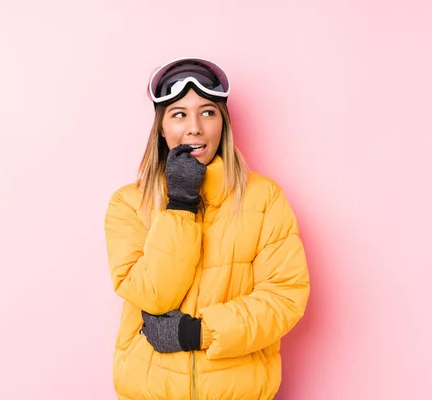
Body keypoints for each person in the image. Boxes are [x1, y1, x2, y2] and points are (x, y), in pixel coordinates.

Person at [104, 56, 310, 400]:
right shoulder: (129, 203)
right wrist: (180, 203)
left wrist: (198, 333)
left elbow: (285, 297)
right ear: (162, 127)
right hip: (149, 391)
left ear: (223, 123)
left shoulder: (263, 198)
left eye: (208, 112)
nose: (194, 127)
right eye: (179, 114)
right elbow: (152, 295)